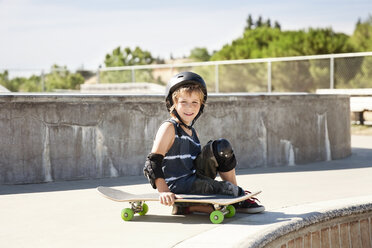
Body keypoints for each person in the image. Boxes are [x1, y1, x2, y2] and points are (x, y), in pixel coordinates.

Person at [144, 71, 264, 215]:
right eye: (184, 102)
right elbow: (153, 162)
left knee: (221, 147)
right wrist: (164, 192)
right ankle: (235, 196)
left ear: (201, 105)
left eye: (195, 102)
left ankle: (221, 198)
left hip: (194, 179)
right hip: (178, 185)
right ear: (174, 103)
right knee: (225, 190)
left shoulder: (193, 132)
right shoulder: (169, 127)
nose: (189, 108)